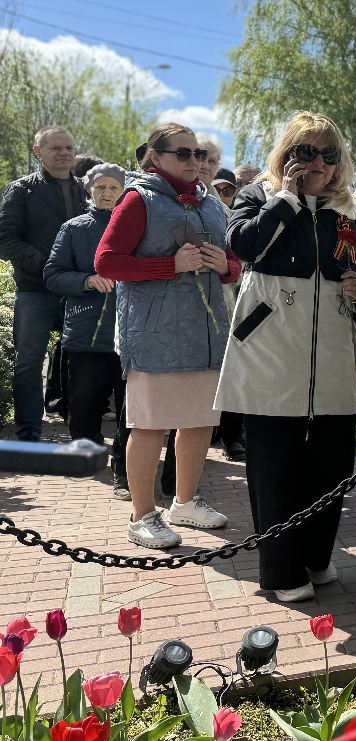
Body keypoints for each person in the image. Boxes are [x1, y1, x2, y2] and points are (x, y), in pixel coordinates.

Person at [216, 112, 356, 602]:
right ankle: (282, 571)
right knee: (275, 461)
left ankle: (315, 556)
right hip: (271, 343)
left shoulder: (348, 207)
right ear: (286, 155)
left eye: (330, 154)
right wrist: (287, 198)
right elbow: (243, 246)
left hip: (329, 345)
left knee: (331, 459)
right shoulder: (258, 195)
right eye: (306, 152)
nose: (319, 164)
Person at [95, 124, 236, 547]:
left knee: (198, 424)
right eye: (184, 153)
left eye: (199, 154)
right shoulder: (139, 199)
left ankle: (185, 503)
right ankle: (141, 514)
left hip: (206, 334)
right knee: (149, 427)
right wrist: (168, 266)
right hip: (154, 335)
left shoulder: (211, 202)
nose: (195, 161)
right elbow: (106, 263)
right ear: (154, 157)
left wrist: (223, 266)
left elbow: (235, 263)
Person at [0, 127, 85, 440]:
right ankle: (29, 431)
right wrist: (48, 266)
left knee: (83, 361)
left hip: (77, 291)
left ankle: (81, 428)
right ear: (38, 151)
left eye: (69, 148)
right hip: (35, 290)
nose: (64, 153)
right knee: (29, 362)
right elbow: (6, 239)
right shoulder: (22, 189)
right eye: (56, 148)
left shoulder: (87, 191)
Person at [44, 163, 126, 461]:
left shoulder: (136, 226)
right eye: (100, 187)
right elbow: (52, 274)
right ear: (89, 190)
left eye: (113, 187)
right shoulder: (74, 228)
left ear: (123, 190)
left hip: (129, 332)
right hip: (85, 331)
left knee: (129, 406)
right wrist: (87, 280)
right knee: (83, 400)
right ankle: (86, 455)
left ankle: (124, 464)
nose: (107, 193)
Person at [209, 166, 245, 462]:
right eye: (217, 189)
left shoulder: (241, 218)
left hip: (236, 305)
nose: (222, 195)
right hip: (204, 305)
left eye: (229, 190)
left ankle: (233, 436)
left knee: (232, 372)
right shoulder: (204, 211)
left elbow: (239, 264)